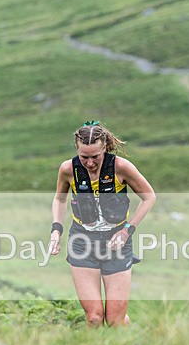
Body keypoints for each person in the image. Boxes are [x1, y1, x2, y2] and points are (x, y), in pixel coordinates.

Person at [50, 120, 156, 326]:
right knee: (95, 317)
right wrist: (56, 229)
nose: (90, 163)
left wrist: (127, 231)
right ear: (77, 150)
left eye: (95, 157)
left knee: (115, 320)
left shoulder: (121, 167)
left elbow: (149, 196)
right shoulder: (67, 169)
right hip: (82, 242)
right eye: (84, 157)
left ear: (105, 148)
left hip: (117, 244)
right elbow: (60, 199)